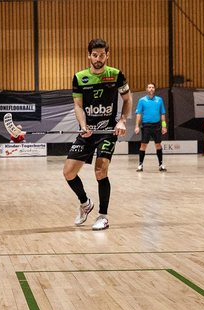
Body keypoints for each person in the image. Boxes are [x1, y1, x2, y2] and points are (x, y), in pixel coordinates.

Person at [64, 38, 131, 231]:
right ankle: (85, 203)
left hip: (107, 131)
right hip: (88, 131)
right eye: (95, 55)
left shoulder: (116, 75)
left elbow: (127, 99)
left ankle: (103, 216)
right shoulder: (79, 78)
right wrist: (83, 125)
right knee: (68, 173)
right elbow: (78, 106)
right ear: (89, 56)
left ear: (107, 55)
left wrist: (122, 120)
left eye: (102, 55)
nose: (98, 59)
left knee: (100, 170)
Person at [133, 83, 166, 172]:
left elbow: (162, 113)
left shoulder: (159, 100)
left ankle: (161, 164)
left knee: (158, 144)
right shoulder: (142, 100)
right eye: (149, 87)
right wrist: (136, 126)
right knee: (143, 145)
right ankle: (140, 165)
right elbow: (138, 114)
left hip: (157, 126)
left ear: (154, 89)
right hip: (146, 126)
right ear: (146, 89)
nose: (151, 89)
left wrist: (164, 126)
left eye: (152, 87)